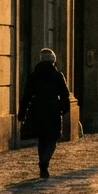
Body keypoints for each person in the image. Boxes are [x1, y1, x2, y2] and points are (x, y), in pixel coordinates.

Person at [19, 48, 71, 179]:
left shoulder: (33, 76)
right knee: (52, 138)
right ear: (53, 60)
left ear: (41, 59)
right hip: (53, 109)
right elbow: (64, 95)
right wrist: (64, 109)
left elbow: (27, 96)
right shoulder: (58, 75)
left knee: (42, 139)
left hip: (37, 109)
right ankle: (45, 162)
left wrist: (22, 113)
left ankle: (43, 161)